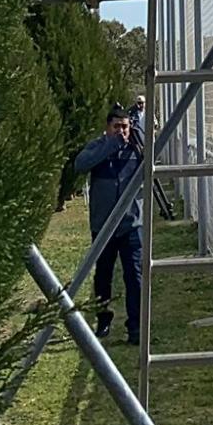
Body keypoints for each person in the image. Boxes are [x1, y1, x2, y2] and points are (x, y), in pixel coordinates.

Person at [73, 103, 144, 342]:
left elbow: (153, 166)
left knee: (134, 276)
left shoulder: (136, 148)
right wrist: (110, 145)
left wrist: (140, 142)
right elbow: (81, 164)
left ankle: (136, 326)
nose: (121, 132)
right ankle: (103, 320)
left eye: (125, 127)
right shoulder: (99, 146)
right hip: (103, 227)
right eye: (116, 127)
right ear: (107, 128)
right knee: (103, 276)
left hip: (130, 226)